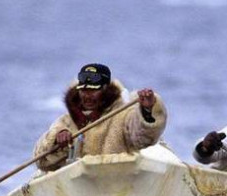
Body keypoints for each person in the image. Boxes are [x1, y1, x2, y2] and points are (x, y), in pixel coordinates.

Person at [34, 63, 167, 172]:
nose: (87, 96)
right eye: (83, 90)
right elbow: (42, 162)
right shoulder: (66, 122)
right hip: (79, 195)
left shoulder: (124, 116)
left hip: (121, 185)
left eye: (93, 90)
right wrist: (57, 141)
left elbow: (143, 139)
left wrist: (147, 111)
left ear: (106, 90)